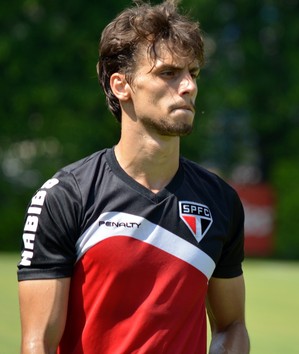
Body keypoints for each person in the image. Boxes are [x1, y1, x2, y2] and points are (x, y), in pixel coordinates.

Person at [17, 0, 250, 353]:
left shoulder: (220, 201)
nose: (188, 87)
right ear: (121, 86)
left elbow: (231, 325)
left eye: (193, 73)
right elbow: (38, 343)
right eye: (168, 73)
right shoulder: (66, 196)